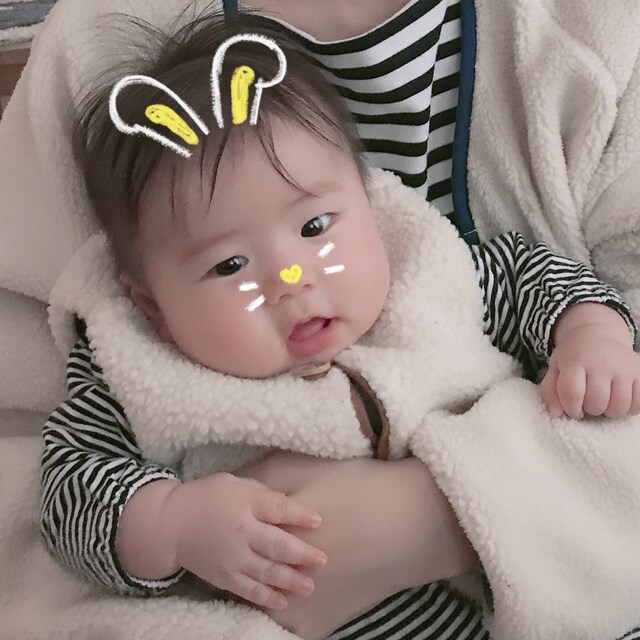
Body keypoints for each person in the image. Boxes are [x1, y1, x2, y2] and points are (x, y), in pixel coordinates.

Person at [40, 10, 640, 640]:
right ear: (154, 309)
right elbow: (69, 495)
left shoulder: (430, 282)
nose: (290, 279)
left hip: (515, 596)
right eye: (230, 265)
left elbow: (531, 275)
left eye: (314, 227)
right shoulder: (137, 373)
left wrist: (591, 332)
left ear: (368, 201)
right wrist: (170, 525)